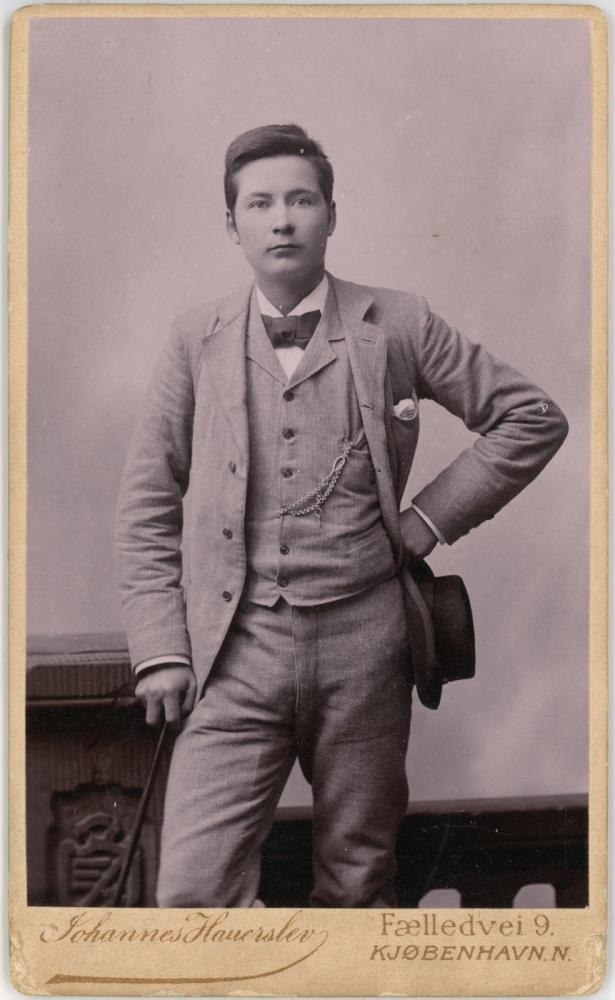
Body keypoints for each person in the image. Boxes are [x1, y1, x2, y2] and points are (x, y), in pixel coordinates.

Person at [114, 123, 568, 908]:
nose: (281, 221)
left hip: (366, 650)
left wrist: (426, 519)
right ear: (232, 224)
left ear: (331, 214)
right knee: (191, 894)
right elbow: (147, 503)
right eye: (259, 204)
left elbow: (531, 417)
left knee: (358, 879)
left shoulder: (398, 322)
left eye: (300, 200)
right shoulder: (195, 339)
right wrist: (159, 650)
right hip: (233, 652)